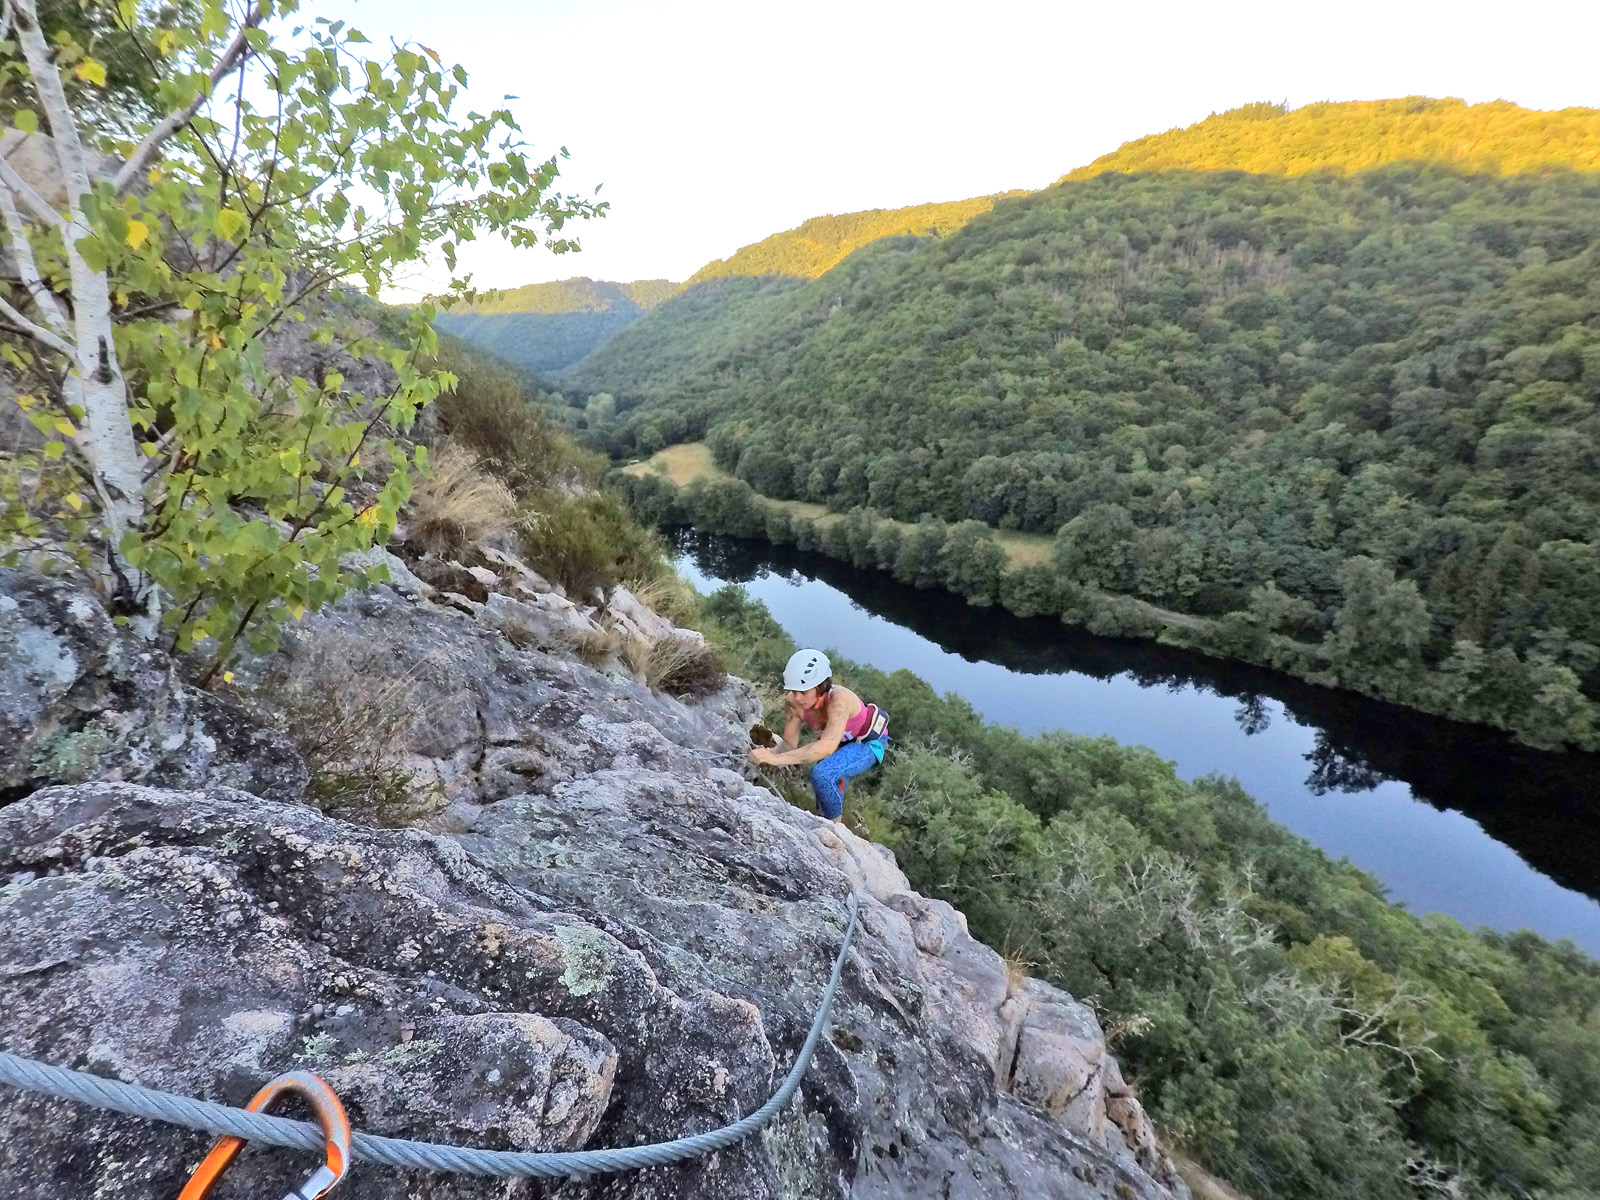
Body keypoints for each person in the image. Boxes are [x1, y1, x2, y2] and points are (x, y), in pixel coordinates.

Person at [748, 649, 888, 821]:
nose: (798, 698)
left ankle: (835, 830)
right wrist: (766, 754)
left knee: (823, 774)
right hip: (840, 743)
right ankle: (825, 818)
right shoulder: (793, 702)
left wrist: (777, 760)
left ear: (820, 687)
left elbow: (827, 746)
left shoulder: (838, 702)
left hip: (867, 743)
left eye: (804, 692)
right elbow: (788, 745)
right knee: (821, 780)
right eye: (794, 691)